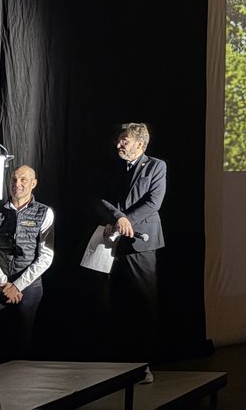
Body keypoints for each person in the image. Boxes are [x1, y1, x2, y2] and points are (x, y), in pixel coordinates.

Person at [98, 123, 166, 382]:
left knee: (143, 305)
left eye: (124, 141)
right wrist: (118, 219)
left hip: (142, 245)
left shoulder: (157, 166)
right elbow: (101, 197)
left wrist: (127, 221)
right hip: (113, 242)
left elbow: (153, 203)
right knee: (115, 304)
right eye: (119, 140)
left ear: (140, 144)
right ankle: (117, 364)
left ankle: (142, 365)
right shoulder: (113, 165)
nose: (118, 145)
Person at [0, 164, 55, 364]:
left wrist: (18, 285)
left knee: (24, 333)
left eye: (23, 180)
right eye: (14, 179)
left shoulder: (44, 212)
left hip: (29, 283)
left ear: (33, 183)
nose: (17, 184)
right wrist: (4, 284)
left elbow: (46, 255)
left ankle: (21, 375)